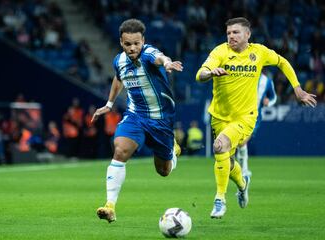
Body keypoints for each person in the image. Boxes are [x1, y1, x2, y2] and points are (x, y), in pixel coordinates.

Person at [195, 17, 317, 219]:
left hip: (245, 116)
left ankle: (220, 200)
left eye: (235, 32)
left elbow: (282, 62)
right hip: (219, 115)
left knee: (219, 146)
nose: (231, 36)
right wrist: (210, 73)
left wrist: (297, 88)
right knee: (226, 158)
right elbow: (200, 74)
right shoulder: (220, 52)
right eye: (228, 33)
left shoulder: (258, 52)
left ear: (247, 34)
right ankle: (242, 184)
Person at [91, 18, 183, 223]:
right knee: (120, 150)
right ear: (121, 42)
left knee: (163, 171)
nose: (132, 48)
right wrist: (109, 103)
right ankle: (110, 206)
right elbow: (118, 77)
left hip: (161, 120)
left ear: (143, 41)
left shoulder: (149, 54)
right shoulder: (119, 61)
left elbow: (160, 57)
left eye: (136, 43)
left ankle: (173, 150)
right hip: (136, 116)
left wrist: (167, 62)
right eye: (127, 44)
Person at [237, 72, 277, 177]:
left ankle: (243, 171)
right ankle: (243, 170)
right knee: (239, 143)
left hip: (254, 117)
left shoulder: (267, 81)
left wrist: (269, 102)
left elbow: (273, 97)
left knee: (242, 141)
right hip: (238, 114)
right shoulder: (242, 75)